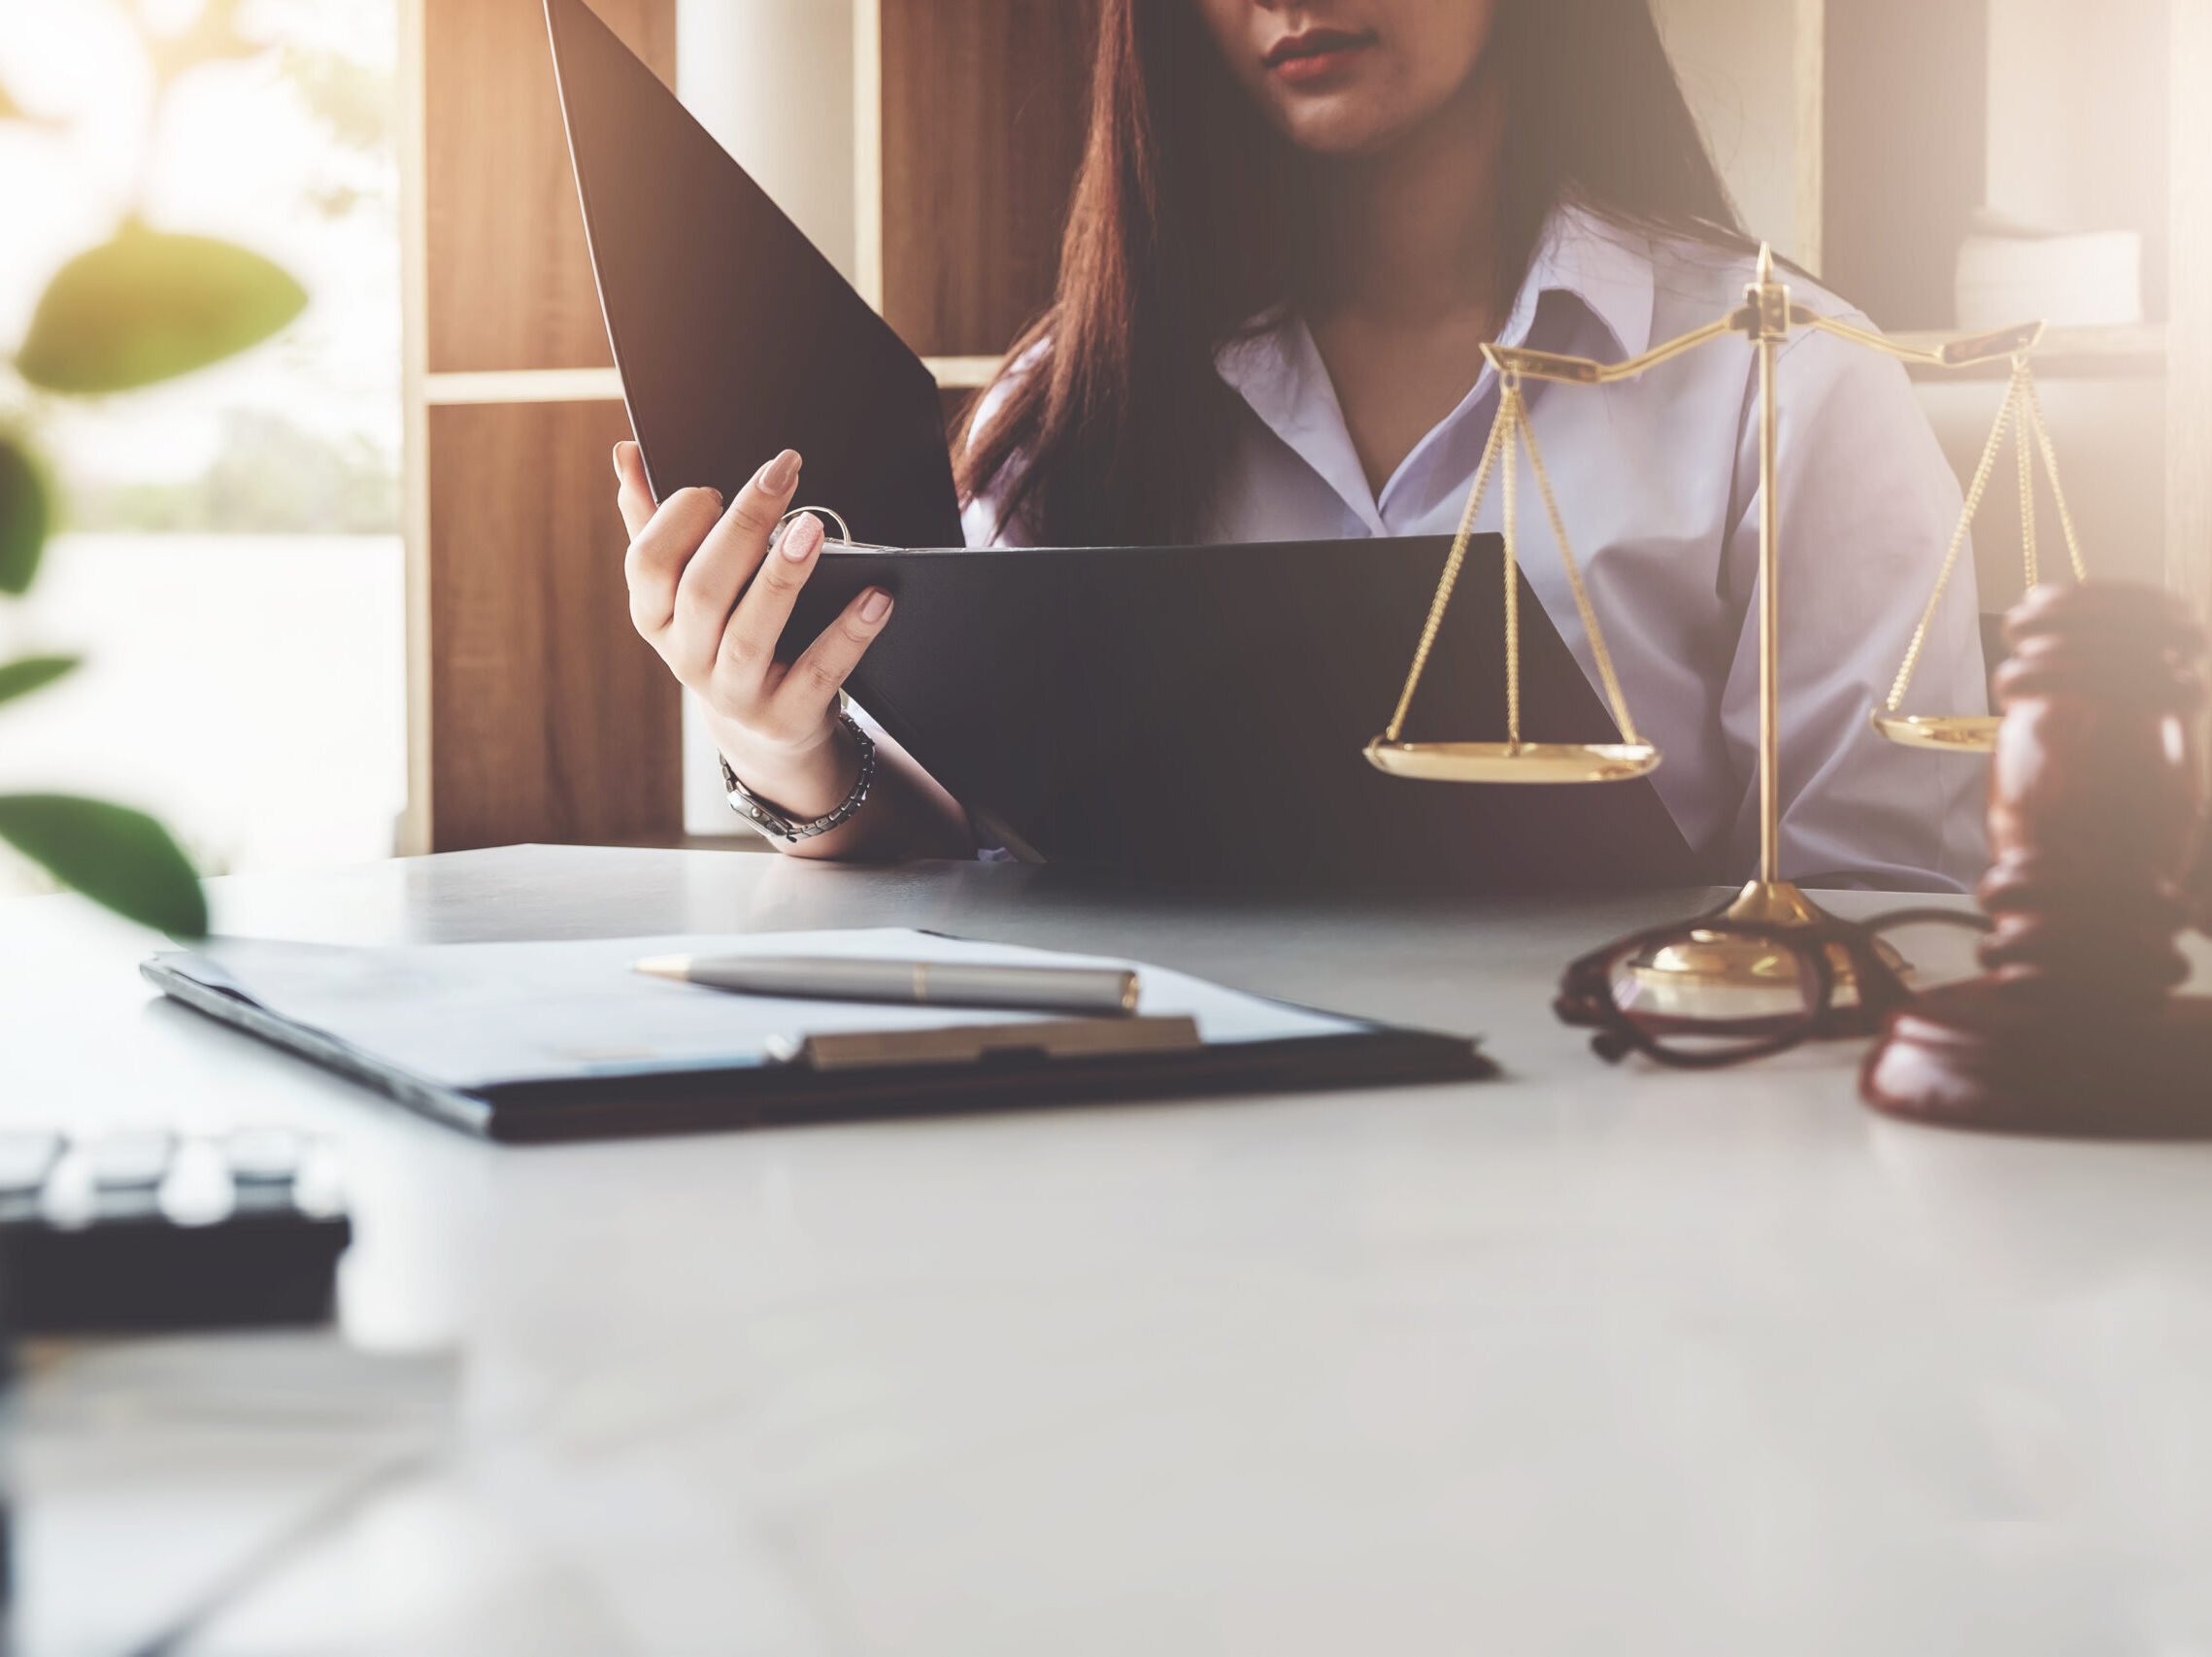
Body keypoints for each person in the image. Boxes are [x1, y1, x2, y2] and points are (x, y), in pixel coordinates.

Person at [612, 0, 1989, 890]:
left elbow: (1884, 898)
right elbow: (970, 854)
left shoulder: (1784, 375)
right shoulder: (1077, 392)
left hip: (1632, 1195)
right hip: (1181, 1202)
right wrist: (785, 738)